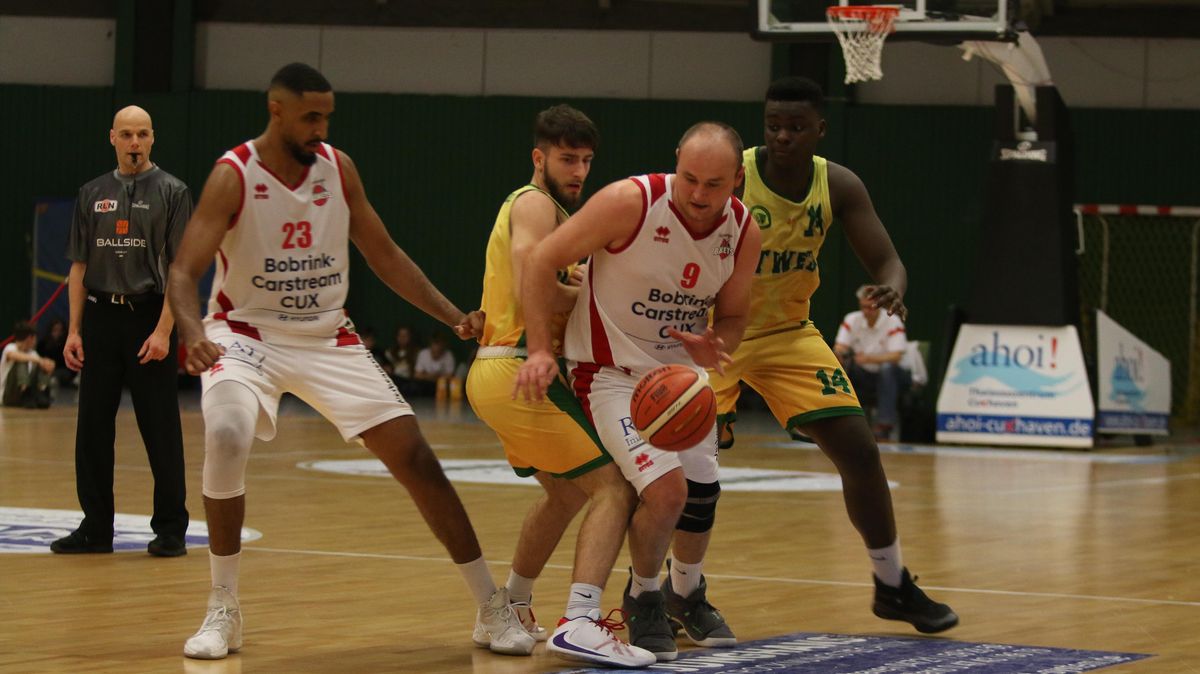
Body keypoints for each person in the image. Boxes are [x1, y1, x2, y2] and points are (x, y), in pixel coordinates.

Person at [166, 63, 529, 660]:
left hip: (328, 337)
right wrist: (190, 332)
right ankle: (222, 607)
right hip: (244, 334)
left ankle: (492, 608)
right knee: (227, 432)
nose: (322, 128)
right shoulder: (233, 176)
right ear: (276, 110)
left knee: (416, 457)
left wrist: (450, 315)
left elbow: (384, 255)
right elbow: (182, 272)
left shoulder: (338, 169)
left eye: (327, 116)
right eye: (311, 116)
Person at [707, 76, 958, 633]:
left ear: (820, 129)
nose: (782, 136)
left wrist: (893, 287)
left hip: (788, 334)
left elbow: (887, 260)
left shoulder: (838, 185)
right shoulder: (735, 174)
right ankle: (656, 591)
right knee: (685, 471)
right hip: (714, 334)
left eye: (796, 127)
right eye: (773, 124)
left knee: (860, 451)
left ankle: (892, 584)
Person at [516, 121, 762, 661]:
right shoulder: (630, 201)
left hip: (680, 380)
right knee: (666, 491)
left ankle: (684, 591)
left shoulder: (744, 230)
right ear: (675, 161)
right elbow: (539, 259)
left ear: (738, 181)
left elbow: (738, 314)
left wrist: (716, 343)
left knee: (700, 496)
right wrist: (538, 350)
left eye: (714, 185)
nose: (698, 195)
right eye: (689, 178)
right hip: (609, 373)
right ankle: (642, 595)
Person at [466, 104, 653, 667]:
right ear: (538, 157)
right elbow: (532, 269)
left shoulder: (543, 211)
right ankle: (583, 620)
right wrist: (605, 304)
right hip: (519, 366)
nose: (578, 171)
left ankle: (510, 606)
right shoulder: (534, 203)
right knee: (615, 489)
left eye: (587, 161)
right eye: (567, 159)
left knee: (567, 492)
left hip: (499, 369)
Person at [50, 105, 190, 558]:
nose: (135, 143)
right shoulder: (92, 193)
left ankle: (170, 529)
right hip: (100, 319)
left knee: (160, 428)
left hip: (149, 317)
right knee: (91, 428)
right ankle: (95, 529)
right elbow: (79, 266)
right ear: (112, 137)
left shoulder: (173, 192)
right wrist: (74, 331)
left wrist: (165, 331)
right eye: (126, 134)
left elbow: (179, 271)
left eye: (143, 135)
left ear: (153, 139)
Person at [835, 285, 912, 440]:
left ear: (879, 305)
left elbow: (896, 356)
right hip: (864, 374)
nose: (866, 311)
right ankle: (842, 421)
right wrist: (841, 353)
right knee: (845, 367)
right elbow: (840, 346)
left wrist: (869, 359)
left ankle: (884, 425)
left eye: (871, 307)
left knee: (887, 369)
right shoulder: (852, 319)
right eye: (863, 307)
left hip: (895, 376)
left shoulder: (893, 320)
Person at [2, 321, 54, 408]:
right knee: (22, 361)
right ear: (30, 338)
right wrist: (40, 361)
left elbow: (50, 366)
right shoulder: (10, 347)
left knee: (42, 364)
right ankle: (24, 391)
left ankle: (42, 392)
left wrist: (46, 364)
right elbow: (15, 356)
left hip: (30, 396)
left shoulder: (33, 353)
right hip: (9, 395)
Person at [414, 332, 456, 397]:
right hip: (425, 386)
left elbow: (450, 376)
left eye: (440, 344)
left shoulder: (448, 355)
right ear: (430, 345)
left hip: (442, 387)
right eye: (436, 343)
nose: (437, 347)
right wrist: (431, 377)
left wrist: (436, 377)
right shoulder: (423, 354)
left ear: (444, 345)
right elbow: (417, 375)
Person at [37, 318, 76, 388]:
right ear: (50, 330)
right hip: (45, 368)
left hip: (63, 371)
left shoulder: (66, 344)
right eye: (55, 330)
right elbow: (39, 357)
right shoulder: (43, 343)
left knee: (59, 376)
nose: (57, 333)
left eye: (60, 330)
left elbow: (71, 364)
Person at [383, 324, 419, 395]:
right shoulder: (390, 352)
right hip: (394, 382)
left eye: (405, 336)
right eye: (400, 335)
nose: (402, 338)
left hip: (409, 383)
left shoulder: (417, 352)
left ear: (410, 337)